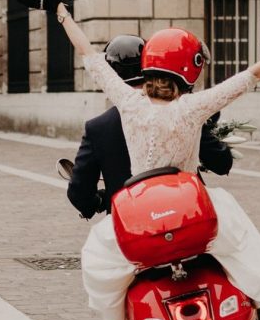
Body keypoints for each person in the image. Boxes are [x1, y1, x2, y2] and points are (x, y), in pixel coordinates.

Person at [18, 0, 260, 320]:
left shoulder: (128, 103)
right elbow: (254, 73)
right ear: (192, 70)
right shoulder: (194, 108)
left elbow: (87, 54)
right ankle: (250, 299)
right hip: (187, 211)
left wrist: (60, 12)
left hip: (142, 214)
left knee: (98, 258)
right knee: (237, 241)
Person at [67, 34, 234, 220]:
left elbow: (79, 193)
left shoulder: (97, 128)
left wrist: (99, 201)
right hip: (183, 218)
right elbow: (222, 163)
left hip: (131, 227)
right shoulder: (181, 112)